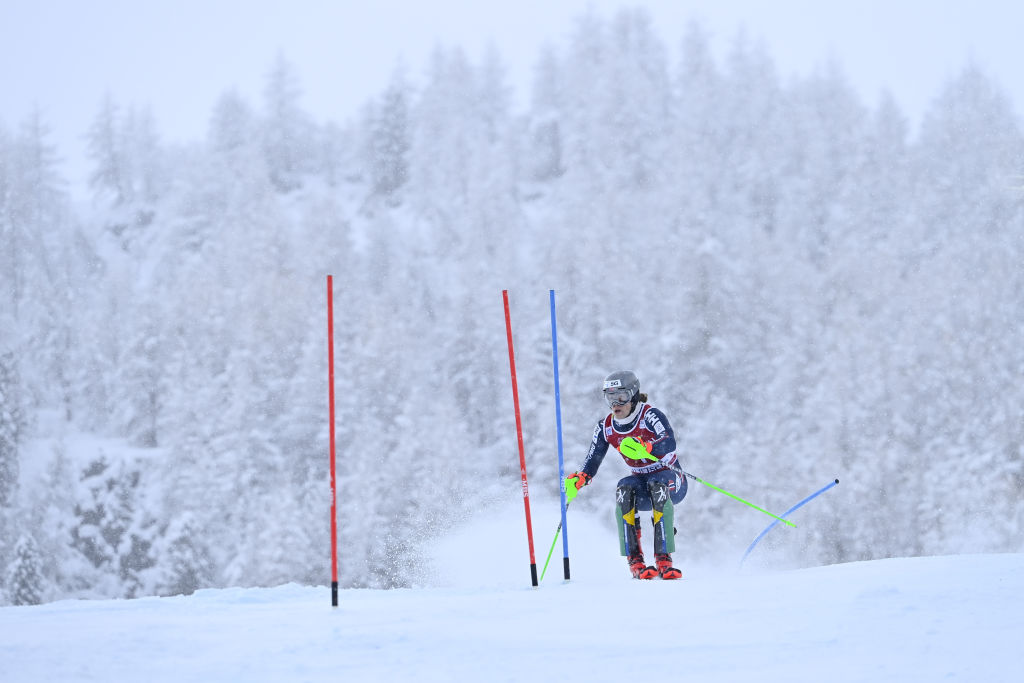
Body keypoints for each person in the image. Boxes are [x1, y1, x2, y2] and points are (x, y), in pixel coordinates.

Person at [566, 370, 687, 579]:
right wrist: (581, 477)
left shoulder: (650, 415)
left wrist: (648, 446)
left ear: (633, 394)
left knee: (658, 484)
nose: (615, 403)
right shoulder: (605, 427)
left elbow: (669, 441)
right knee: (624, 487)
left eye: (620, 396)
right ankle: (636, 561)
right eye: (609, 397)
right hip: (642, 485)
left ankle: (664, 560)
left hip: (671, 479)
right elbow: (593, 457)